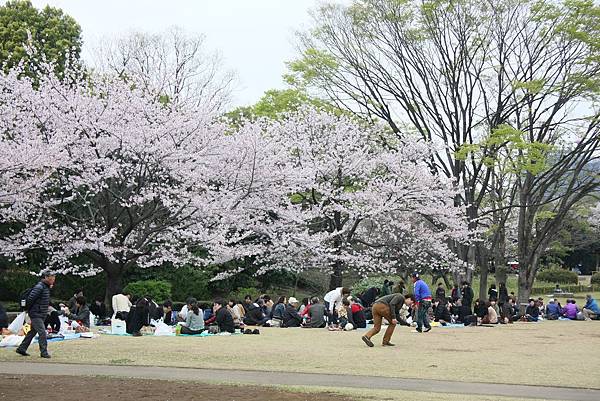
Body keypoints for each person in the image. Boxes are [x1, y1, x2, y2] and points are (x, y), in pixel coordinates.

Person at [16, 271, 55, 358]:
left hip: (40, 313)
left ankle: (22, 348)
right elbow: (30, 299)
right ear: (46, 277)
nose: (53, 280)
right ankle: (44, 352)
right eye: (51, 278)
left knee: (32, 332)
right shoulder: (40, 287)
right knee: (42, 332)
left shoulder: (45, 287)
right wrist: (28, 310)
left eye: (54, 278)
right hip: (36, 313)